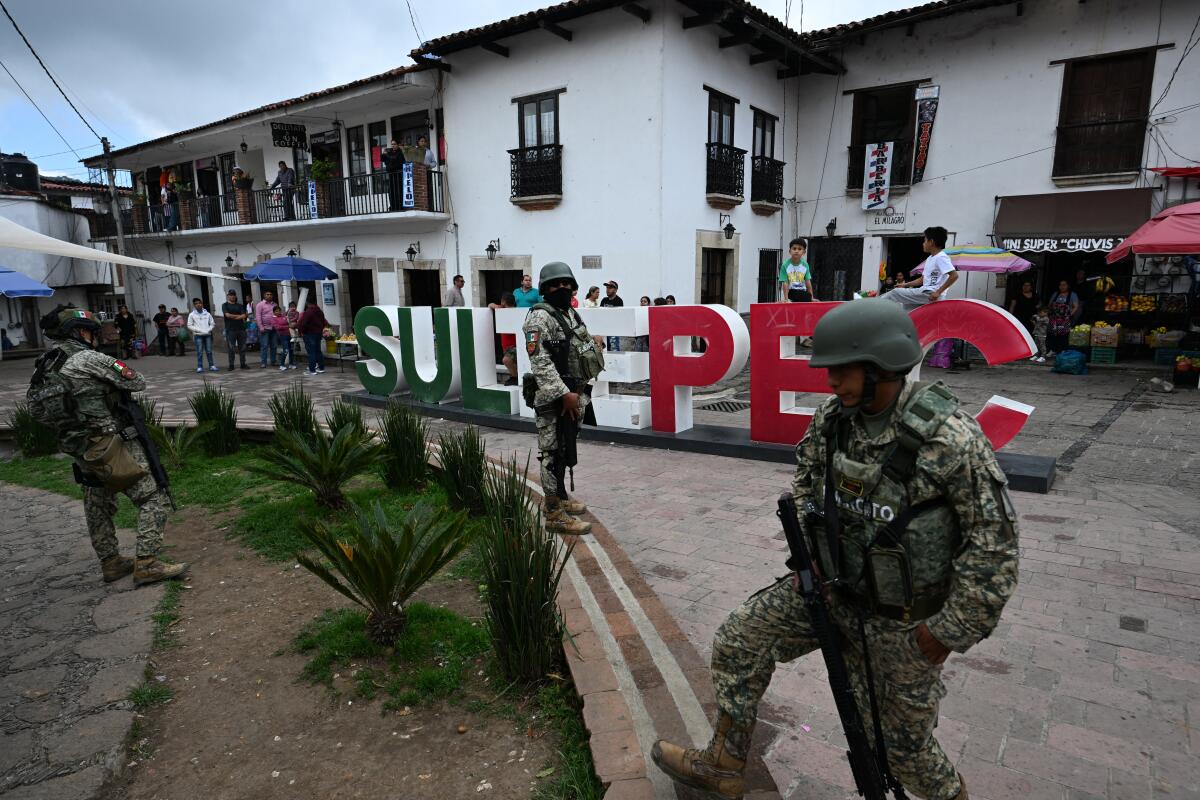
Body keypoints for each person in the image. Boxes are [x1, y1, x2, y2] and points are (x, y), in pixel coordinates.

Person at [652, 299, 1018, 800]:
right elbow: (806, 481)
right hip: (830, 590)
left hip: (903, 624)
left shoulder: (948, 437)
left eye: (841, 371)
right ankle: (725, 760)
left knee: (900, 750)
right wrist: (813, 557)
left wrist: (948, 632)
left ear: (880, 367)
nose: (830, 382)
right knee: (740, 641)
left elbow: (994, 543)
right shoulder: (834, 419)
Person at [26, 306, 189, 586]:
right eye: (91, 331)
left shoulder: (46, 363)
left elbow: (34, 410)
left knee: (97, 501)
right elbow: (137, 382)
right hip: (109, 441)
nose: (95, 336)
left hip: (77, 446)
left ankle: (110, 562)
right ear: (79, 332)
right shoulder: (88, 358)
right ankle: (147, 563)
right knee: (153, 497)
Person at [523, 262, 605, 535]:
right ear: (545, 289)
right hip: (553, 397)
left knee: (566, 447)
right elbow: (540, 362)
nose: (562, 288)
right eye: (555, 284)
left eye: (566, 283)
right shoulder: (539, 318)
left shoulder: (568, 312)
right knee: (551, 454)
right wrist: (563, 393)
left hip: (573, 393)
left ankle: (561, 499)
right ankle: (553, 513)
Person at [886, 227, 958, 310]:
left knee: (895, 293)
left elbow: (954, 275)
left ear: (931, 242)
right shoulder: (930, 258)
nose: (923, 243)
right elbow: (922, 279)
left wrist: (938, 292)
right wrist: (905, 285)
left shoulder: (941, 257)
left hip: (930, 293)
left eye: (925, 241)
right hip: (926, 294)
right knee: (907, 308)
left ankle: (872, 306)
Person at [487, 292, 519, 385]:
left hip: (513, 345)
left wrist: (497, 307)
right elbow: (490, 305)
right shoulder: (502, 310)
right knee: (510, 361)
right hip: (507, 345)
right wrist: (497, 307)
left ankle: (514, 378)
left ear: (503, 301)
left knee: (506, 360)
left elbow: (490, 305)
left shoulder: (513, 311)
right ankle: (515, 377)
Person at [1046, 279, 1079, 357]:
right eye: (1060, 285)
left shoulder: (1072, 295)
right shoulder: (1056, 294)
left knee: (1064, 335)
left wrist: (1069, 315)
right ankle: (1053, 350)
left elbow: (1076, 306)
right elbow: (1049, 305)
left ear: (1068, 286)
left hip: (1065, 319)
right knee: (1053, 334)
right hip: (1054, 318)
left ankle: (1063, 351)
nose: (1062, 287)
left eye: (1064, 285)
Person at [779, 238, 815, 302]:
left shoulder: (805, 265)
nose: (796, 251)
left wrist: (811, 298)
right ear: (790, 251)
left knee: (807, 296)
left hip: (802, 293)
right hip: (791, 292)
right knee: (796, 295)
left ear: (804, 252)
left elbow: (808, 282)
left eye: (799, 249)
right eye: (794, 248)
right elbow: (785, 283)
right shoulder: (785, 265)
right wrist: (786, 299)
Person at [187, 297, 217, 373]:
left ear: (202, 304)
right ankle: (200, 366)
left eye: (199, 303)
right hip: (198, 335)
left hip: (207, 335)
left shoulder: (207, 314)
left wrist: (208, 329)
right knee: (199, 351)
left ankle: (211, 365)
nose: (198, 305)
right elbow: (189, 325)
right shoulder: (192, 315)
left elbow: (212, 324)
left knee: (209, 351)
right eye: (196, 304)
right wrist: (198, 330)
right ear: (194, 305)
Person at [298, 298, 328, 374]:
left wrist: (302, 331)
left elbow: (304, 323)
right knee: (318, 350)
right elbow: (324, 322)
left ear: (308, 304)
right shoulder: (320, 311)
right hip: (318, 333)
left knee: (311, 352)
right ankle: (321, 368)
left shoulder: (308, 312)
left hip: (309, 333)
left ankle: (312, 370)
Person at [221, 289, 248, 370]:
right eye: (230, 295)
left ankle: (243, 364)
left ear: (235, 296)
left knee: (242, 347)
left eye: (233, 295)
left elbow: (244, 316)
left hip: (241, 329)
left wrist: (234, 316)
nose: (232, 296)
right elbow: (227, 315)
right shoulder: (225, 305)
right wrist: (238, 316)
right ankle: (231, 365)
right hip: (230, 329)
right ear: (228, 296)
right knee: (231, 348)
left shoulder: (240, 305)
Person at [1008, 280, 1039, 345]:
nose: (1026, 287)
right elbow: (1012, 306)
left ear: (1031, 287)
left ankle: (1029, 347)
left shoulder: (1035, 295)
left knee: (1030, 334)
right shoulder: (1017, 294)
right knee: (1019, 333)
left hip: (1031, 319)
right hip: (1019, 318)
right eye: (1024, 285)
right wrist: (1010, 317)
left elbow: (1039, 305)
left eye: (1028, 285)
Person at [381, 139, 407, 211]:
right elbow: (383, 159)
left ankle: (400, 206)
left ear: (398, 145)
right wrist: (383, 153)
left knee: (398, 190)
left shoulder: (400, 152)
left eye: (394, 144)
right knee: (391, 191)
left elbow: (399, 161)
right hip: (391, 174)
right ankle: (393, 206)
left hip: (398, 174)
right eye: (392, 144)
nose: (393, 145)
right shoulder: (390, 152)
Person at [255, 290, 278, 367]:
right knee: (264, 346)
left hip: (274, 328)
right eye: (267, 294)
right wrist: (261, 327)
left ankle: (273, 361)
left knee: (274, 346)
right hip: (265, 328)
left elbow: (278, 315)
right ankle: (263, 362)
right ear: (264, 296)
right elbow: (258, 316)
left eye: (270, 294)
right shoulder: (260, 305)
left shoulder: (275, 304)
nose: (269, 295)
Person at [600, 280, 624, 352]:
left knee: (614, 349)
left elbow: (618, 316)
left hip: (613, 329)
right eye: (607, 288)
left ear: (615, 290)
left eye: (610, 288)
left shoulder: (619, 301)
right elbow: (600, 313)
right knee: (603, 350)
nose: (607, 289)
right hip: (603, 328)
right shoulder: (604, 300)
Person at [269, 305, 294, 370]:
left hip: (288, 335)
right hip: (282, 336)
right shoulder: (273, 318)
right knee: (286, 350)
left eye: (279, 311)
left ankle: (291, 364)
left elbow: (288, 323)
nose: (278, 312)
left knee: (291, 350)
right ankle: (282, 365)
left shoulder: (283, 316)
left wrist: (289, 325)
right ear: (273, 312)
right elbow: (277, 327)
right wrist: (287, 326)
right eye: (276, 311)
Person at [286, 301, 301, 369]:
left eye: (294, 306)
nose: (292, 308)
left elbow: (297, 317)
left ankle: (296, 339)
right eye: (291, 306)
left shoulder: (297, 312)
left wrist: (292, 320)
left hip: (294, 323)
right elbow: (286, 316)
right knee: (291, 330)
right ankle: (293, 338)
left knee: (296, 331)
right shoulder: (288, 311)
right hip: (289, 324)